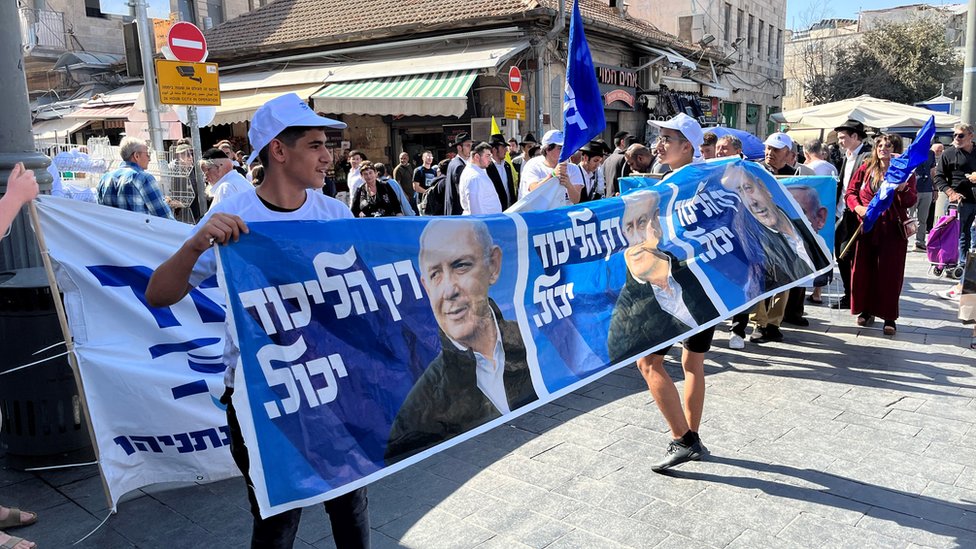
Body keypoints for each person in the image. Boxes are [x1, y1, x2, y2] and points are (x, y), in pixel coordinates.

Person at [145, 93, 370, 549]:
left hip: (332, 387)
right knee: (278, 518)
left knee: (350, 506)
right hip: (261, 396)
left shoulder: (335, 214)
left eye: (328, 144)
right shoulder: (233, 219)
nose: (329, 156)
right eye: (314, 145)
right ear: (278, 151)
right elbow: (159, 293)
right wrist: (195, 246)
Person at [385, 218, 537, 464]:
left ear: (494, 265)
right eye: (435, 275)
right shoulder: (419, 409)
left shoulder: (536, 342)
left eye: (461, 266)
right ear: (426, 287)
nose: (448, 290)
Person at [627, 113, 717, 472]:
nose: (659, 144)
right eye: (660, 137)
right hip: (704, 288)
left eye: (667, 138)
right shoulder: (694, 179)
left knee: (648, 361)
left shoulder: (684, 183)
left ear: (688, 146)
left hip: (678, 285)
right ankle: (691, 435)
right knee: (692, 361)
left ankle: (683, 439)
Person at [846, 133, 918, 335]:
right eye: (880, 145)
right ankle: (866, 310)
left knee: (890, 274)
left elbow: (910, 201)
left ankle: (889, 316)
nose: (883, 148)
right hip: (868, 226)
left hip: (892, 229)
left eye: (888, 145)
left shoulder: (904, 172)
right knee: (863, 269)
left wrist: (903, 189)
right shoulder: (867, 168)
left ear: (896, 149)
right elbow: (850, 192)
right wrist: (858, 209)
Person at [833, 119, 873, 310]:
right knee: (840, 255)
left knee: (851, 256)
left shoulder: (866, 157)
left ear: (855, 137)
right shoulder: (847, 156)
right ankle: (849, 294)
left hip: (856, 215)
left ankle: (856, 296)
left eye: (843, 138)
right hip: (842, 214)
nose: (840, 141)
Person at [97, 137, 174, 219]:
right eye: (147, 154)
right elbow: (164, 216)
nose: (150, 159)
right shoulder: (143, 178)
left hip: (111, 231)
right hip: (137, 231)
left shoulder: (104, 179)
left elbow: (101, 214)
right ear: (136, 156)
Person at [934, 123, 976, 263]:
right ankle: (952, 262)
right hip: (959, 201)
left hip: (974, 200)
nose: (957, 138)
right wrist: (951, 193)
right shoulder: (949, 153)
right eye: (955, 135)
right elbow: (938, 177)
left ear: (971, 136)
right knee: (956, 234)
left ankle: (966, 264)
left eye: (961, 135)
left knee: (970, 235)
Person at [518, 130, 582, 207]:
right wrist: (552, 175)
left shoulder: (573, 168)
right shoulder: (532, 165)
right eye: (560, 148)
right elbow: (533, 190)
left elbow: (576, 200)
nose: (564, 151)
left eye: (565, 147)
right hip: (540, 215)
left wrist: (568, 185)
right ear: (548, 149)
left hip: (563, 216)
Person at [459, 142, 501, 215]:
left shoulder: (476, 172)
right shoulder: (474, 177)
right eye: (487, 156)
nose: (490, 159)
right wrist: (481, 225)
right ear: (477, 157)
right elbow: (475, 210)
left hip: (488, 221)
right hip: (483, 223)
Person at [908, 145, 936, 251]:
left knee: (923, 218)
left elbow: (932, 172)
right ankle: (904, 240)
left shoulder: (931, 153)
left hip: (927, 188)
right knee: (908, 217)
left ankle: (920, 242)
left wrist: (935, 188)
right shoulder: (911, 152)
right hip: (913, 188)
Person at [442, 133, 473, 215]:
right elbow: (462, 193)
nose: (471, 148)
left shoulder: (455, 162)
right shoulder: (459, 166)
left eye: (471, 145)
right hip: (458, 213)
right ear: (459, 148)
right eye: (467, 145)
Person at [485, 134, 517, 210]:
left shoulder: (507, 166)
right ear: (494, 150)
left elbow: (511, 189)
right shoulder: (487, 168)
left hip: (509, 210)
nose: (506, 150)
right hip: (495, 211)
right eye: (503, 147)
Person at [603, 131, 631, 197]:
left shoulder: (607, 160)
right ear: (622, 142)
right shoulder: (624, 158)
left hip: (608, 199)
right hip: (619, 199)